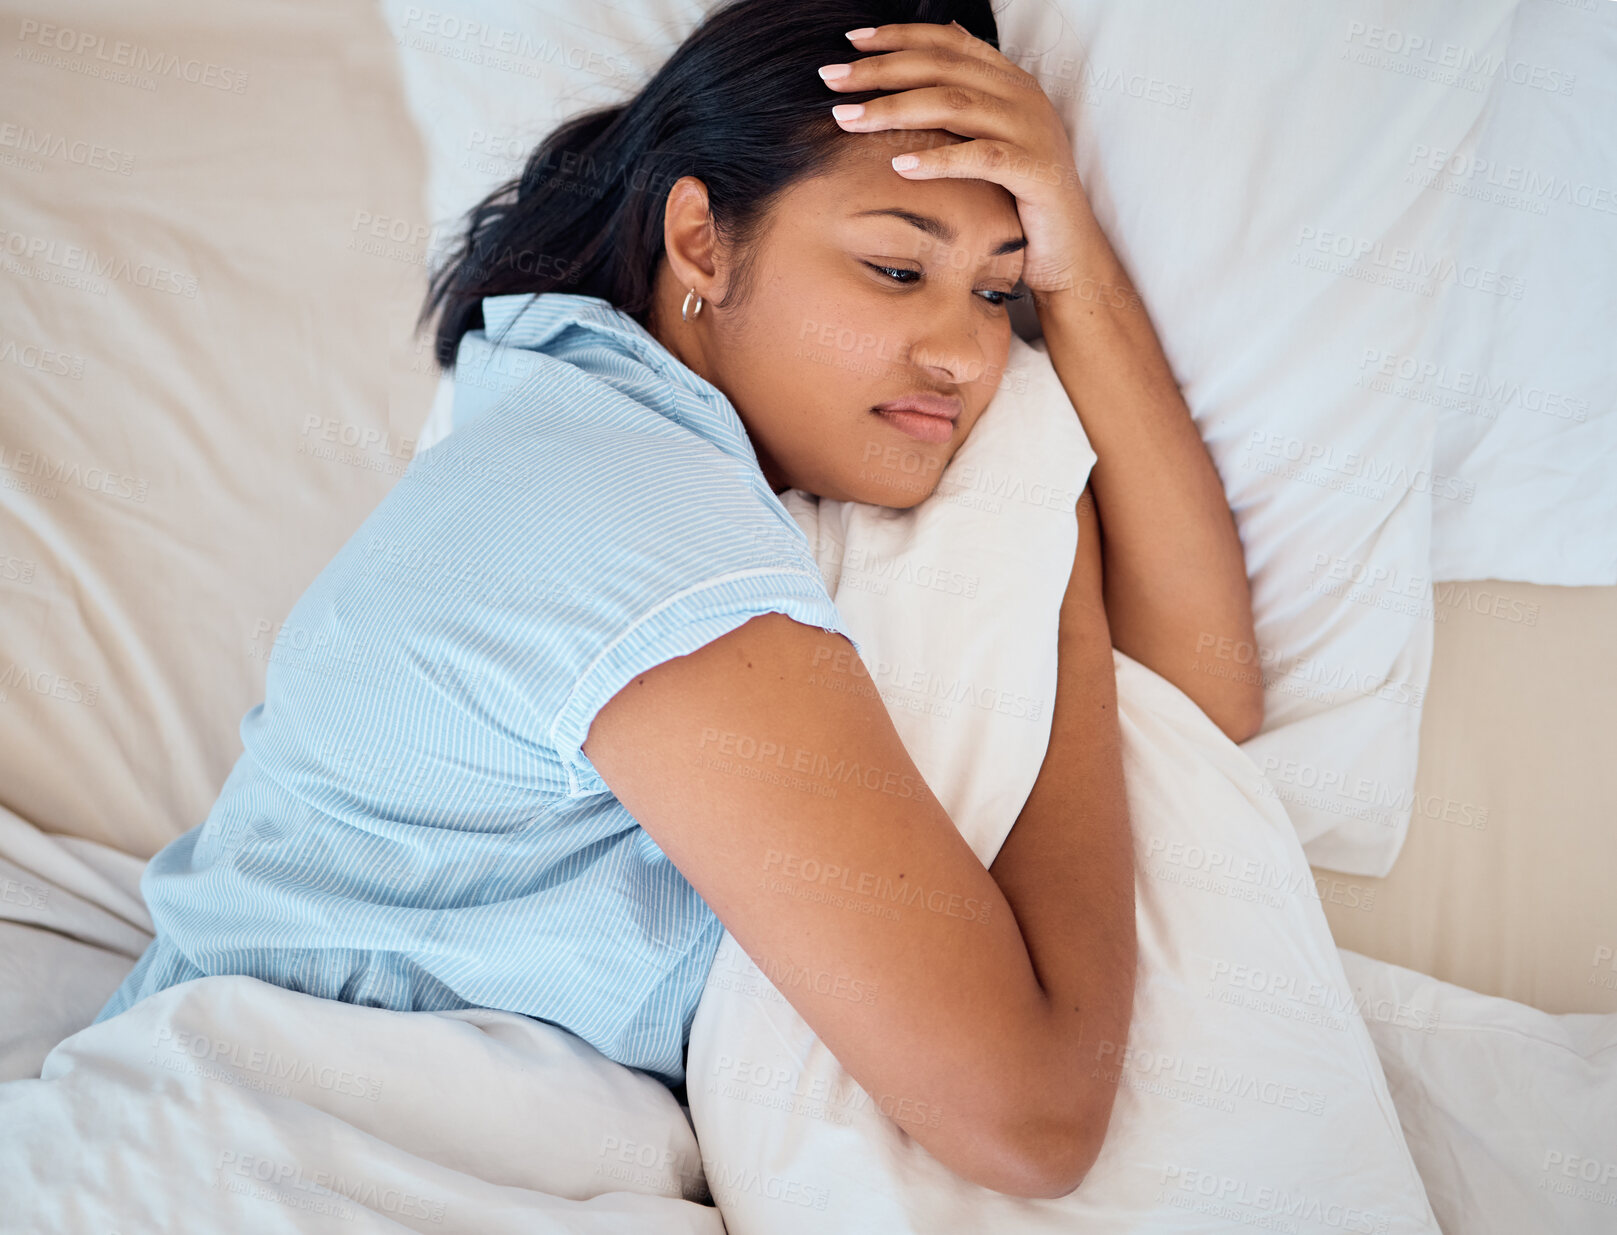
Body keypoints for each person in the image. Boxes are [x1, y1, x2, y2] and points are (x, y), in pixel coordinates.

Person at [94, 0, 1259, 1201]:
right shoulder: (637, 516)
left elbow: (1196, 698)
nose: (967, 355)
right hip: (248, 1153)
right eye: (896, 268)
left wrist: (1077, 275)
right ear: (700, 240)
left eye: (995, 295)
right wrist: (1060, 575)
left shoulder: (611, 429)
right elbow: (1031, 1113)